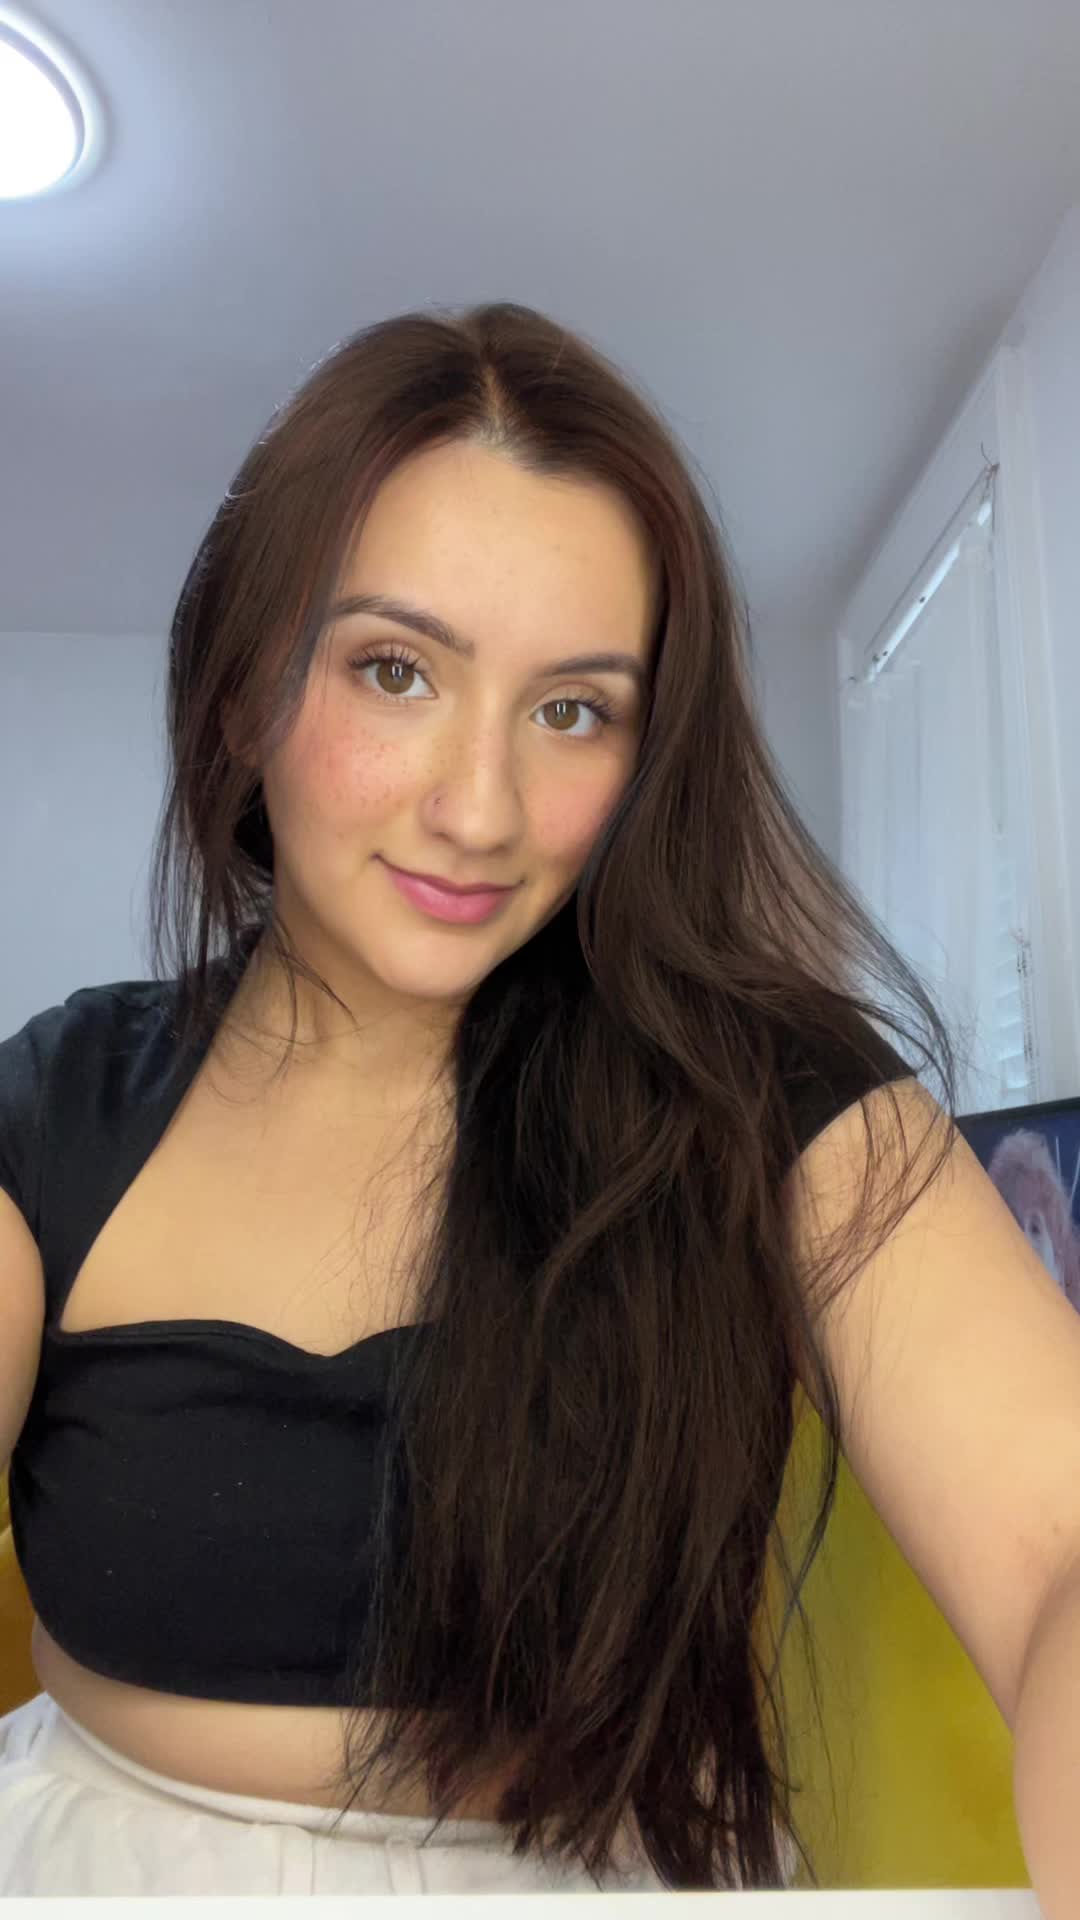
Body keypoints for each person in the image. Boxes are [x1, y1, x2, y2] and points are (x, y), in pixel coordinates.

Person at [0, 300, 955, 1895]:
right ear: (243, 693)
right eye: (395, 672)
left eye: (573, 710)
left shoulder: (776, 1097)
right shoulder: (59, 1103)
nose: (480, 809)